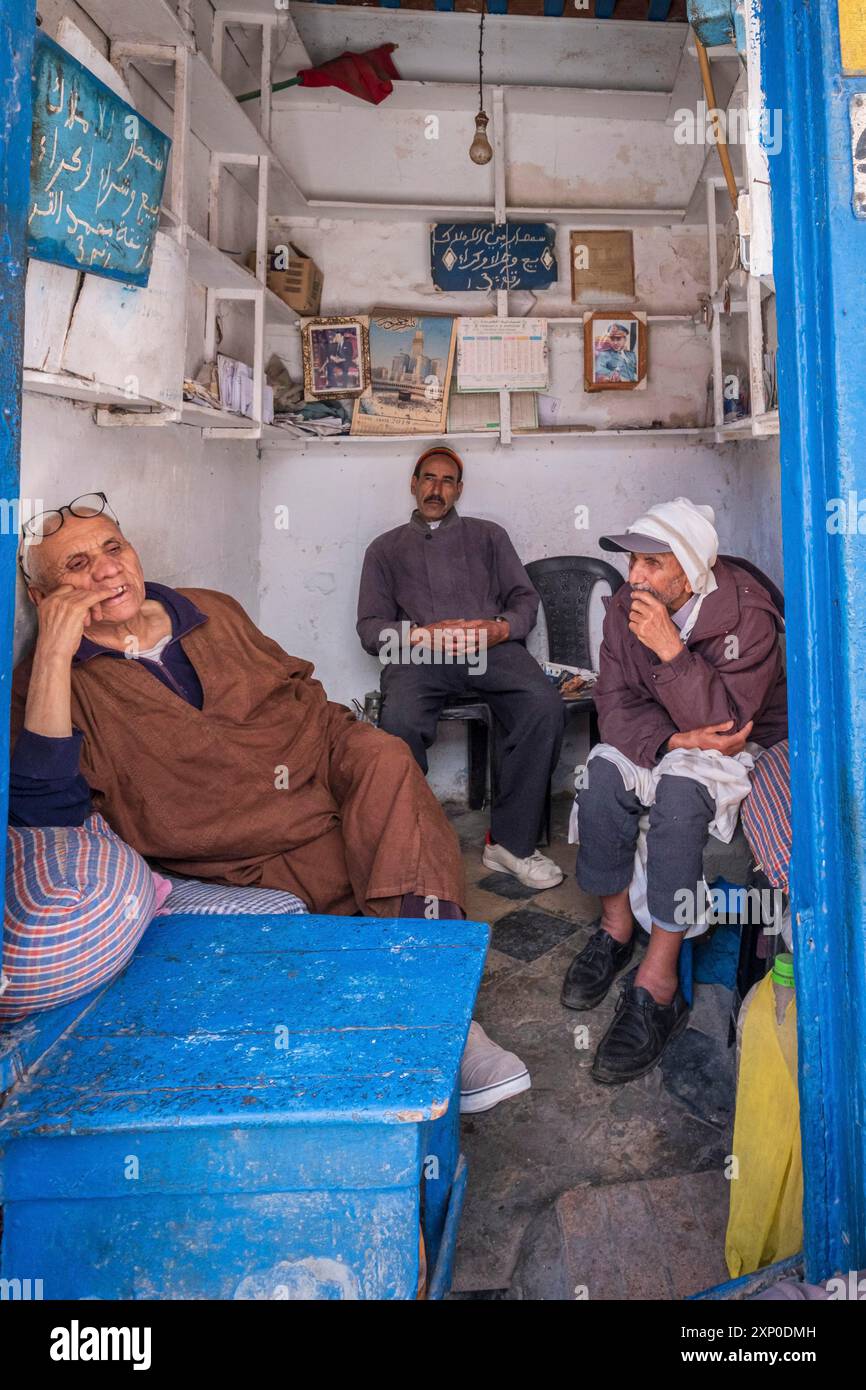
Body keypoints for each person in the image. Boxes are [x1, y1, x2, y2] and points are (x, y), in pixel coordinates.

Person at [8, 491, 529, 1112]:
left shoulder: (210, 611)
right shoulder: (51, 682)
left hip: (315, 784)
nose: (106, 569)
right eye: (76, 565)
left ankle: (442, 1015)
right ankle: (438, 1023)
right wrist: (54, 654)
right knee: (373, 872)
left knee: (386, 758)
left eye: (113, 547)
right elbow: (48, 819)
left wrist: (355, 748)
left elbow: (300, 695)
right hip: (232, 851)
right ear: (43, 599)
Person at [561, 498, 788, 1084]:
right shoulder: (625, 609)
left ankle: (659, 982)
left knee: (683, 796)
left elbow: (731, 729)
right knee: (603, 774)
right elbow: (612, 704)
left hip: (739, 746)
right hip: (666, 735)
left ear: (687, 569)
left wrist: (670, 651)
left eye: (649, 565)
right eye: (632, 563)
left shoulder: (748, 618)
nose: (632, 577)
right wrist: (669, 739)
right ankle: (614, 930)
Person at [356, 446, 566, 890]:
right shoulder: (384, 549)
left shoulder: (489, 536)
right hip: (419, 656)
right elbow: (371, 631)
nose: (437, 489)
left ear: (459, 490)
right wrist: (420, 635)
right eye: (428, 479)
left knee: (543, 704)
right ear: (413, 485)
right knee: (400, 723)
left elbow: (524, 600)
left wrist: (499, 628)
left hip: (488, 649)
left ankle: (510, 843)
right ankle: (410, 843)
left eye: (447, 481)